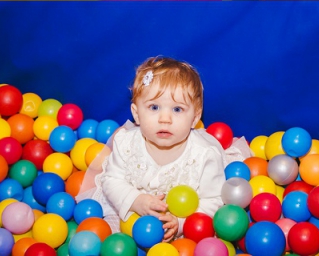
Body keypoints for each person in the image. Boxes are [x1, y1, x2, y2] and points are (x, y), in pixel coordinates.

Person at [77, 57, 252, 240]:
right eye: (154, 107)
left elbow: (213, 200)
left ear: (194, 118)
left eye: (177, 109)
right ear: (136, 114)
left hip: (183, 219)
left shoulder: (204, 155)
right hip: (132, 213)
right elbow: (111, 180)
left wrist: (181, 223)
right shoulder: (126, 144)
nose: (165, 119)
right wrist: (134, 200)